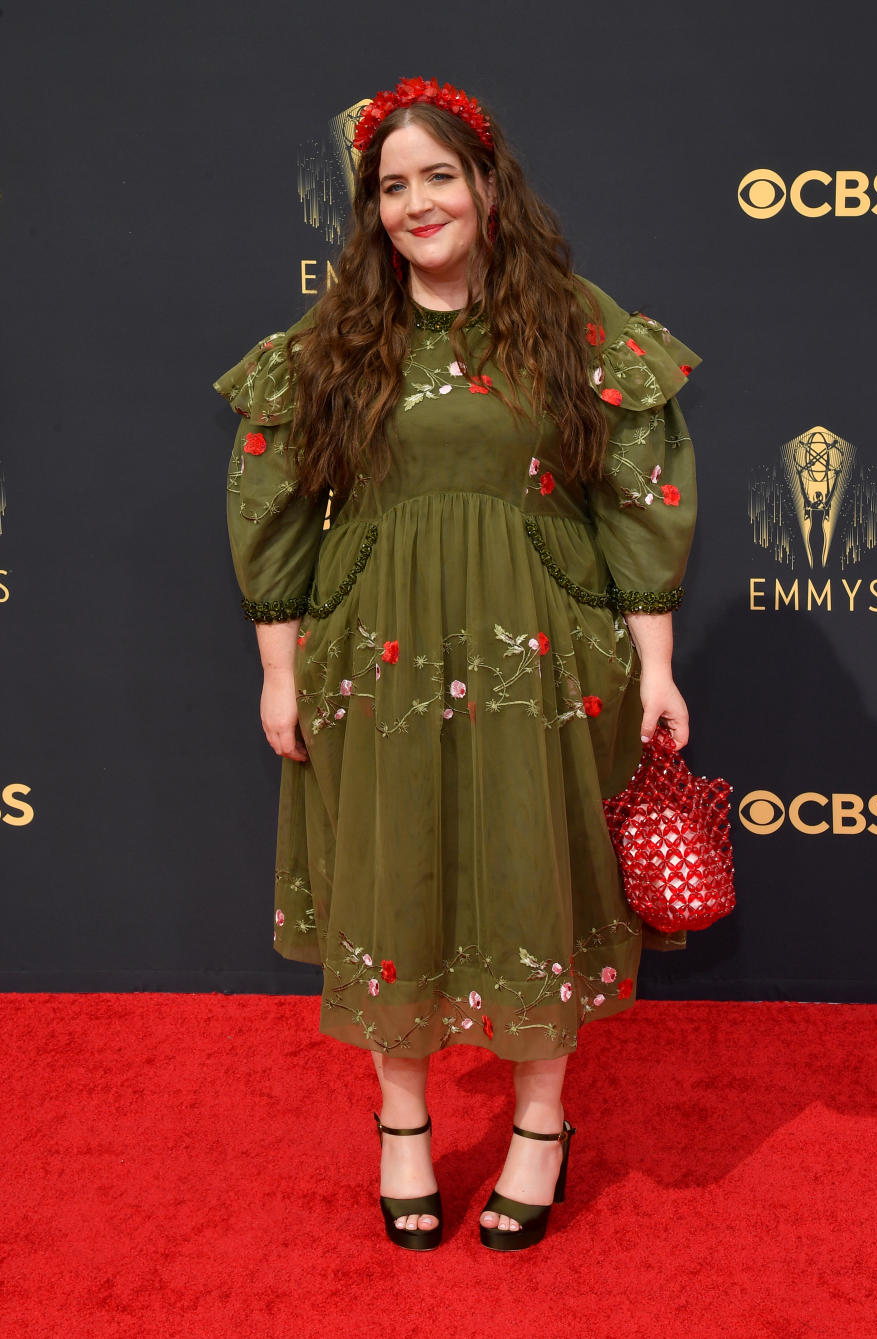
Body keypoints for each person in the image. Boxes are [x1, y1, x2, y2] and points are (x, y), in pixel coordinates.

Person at [214, 75, 700, 1253]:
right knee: (395, 878)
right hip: (376, 654)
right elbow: (268, 507)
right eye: (392, 186)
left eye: (439, 176)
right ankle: (402, 1126)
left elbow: (644, 496)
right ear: (371, 211)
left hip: (542, 647)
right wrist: (279, 672)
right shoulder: (335, 341)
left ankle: (541, 1126)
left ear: (487, 186)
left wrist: (658, 667)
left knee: (535, 877)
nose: (417, 203)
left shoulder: (573, 323)